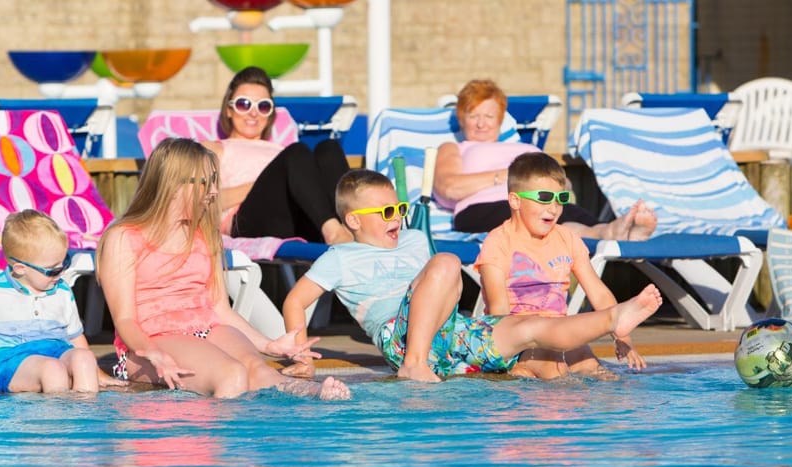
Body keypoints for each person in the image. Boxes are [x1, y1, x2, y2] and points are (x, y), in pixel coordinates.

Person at [281, 169, 663, 383]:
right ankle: (416, 363)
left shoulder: (413, 240)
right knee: (447, 261)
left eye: (398, 207)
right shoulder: (341, 256)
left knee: (530, 325)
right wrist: (301, 357)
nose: (396, 218)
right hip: (399, 336)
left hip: (449, 332)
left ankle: (611, 319)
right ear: (352, 221)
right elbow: (295, 300)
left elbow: (437, 290)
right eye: (385, 213)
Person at [95, 137, 350, 400]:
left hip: (208, 327)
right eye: (206, 183)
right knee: (232, 374)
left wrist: (269, 345)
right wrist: (153, 351)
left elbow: (220, 310)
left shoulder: (205, 235)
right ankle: (220, 441)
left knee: (258, 370)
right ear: (173, 185)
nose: (215, 192)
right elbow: (125, 319)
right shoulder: (124, 237)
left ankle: (312, 395)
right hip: (148, 343)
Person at [476, 152, 649, 379]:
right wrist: (509, 357)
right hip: (522, 338)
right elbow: (499, 311)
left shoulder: (567, 239)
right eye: (545, 197)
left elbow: (598, 293)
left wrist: (622, 337)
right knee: (554, 371)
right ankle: (521, 371)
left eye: (561, 198)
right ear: (515, 200)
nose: (554, 207)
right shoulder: (498, 242)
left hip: (560, 333)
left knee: (596, 370)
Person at [0, 209, 124, 393]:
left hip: (55, 351)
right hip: (7, 360)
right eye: (52, 269)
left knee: (84, 358)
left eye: (64, 263)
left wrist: (96, 372)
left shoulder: (61, 291)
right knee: (52, 370)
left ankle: (84, 420)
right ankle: (57, 424)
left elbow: (75, 337)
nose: (61, 272)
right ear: (21, 268)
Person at [433, 78, 657, 241]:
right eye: (473, 116)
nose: (481, 124)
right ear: (462, 119)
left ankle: (611, 232)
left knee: (560, 213)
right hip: (482, 209)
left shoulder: (525, 147)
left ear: (501, 119)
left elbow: (564, 184)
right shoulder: (456, 147)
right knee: (543, 214)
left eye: (489, 116)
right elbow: (448, 188)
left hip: (539, 201)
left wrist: (543, 187)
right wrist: (511, 177)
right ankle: (610, 233)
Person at [201, 65, 353, 245]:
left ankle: (352, 228)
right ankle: (334, 232)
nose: (253, 112)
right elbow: (200, 202)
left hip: (299, 218)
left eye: (263, 106)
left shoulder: (281, 150)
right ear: (229, 109)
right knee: (297, 152)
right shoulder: (213, 149)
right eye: (244, 104)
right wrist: (260, 184)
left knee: (329, 149)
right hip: (246, 223)